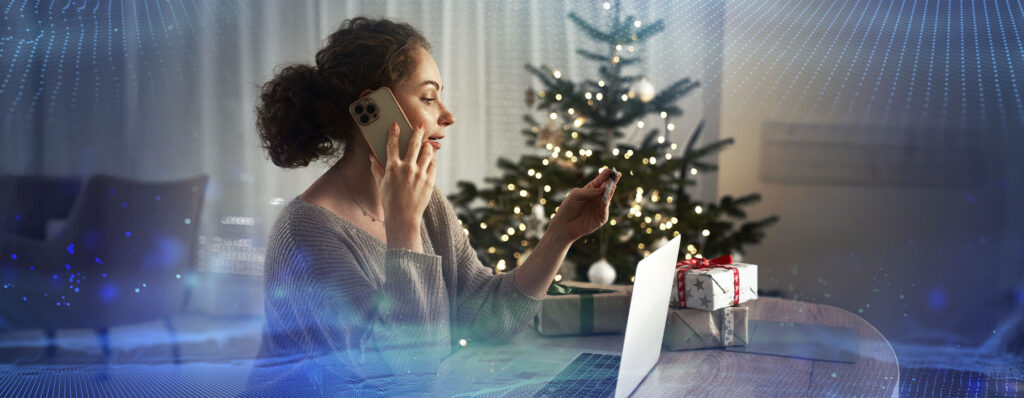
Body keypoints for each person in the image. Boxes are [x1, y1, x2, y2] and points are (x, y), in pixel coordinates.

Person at [246, 17, 619, 396]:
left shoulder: (428, 204)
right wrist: (403, 224)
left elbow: (490, 318)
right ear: (372, 109)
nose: (448, 115)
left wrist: (559, 235)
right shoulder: (306, 233)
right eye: (428, 97)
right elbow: (402, 377)